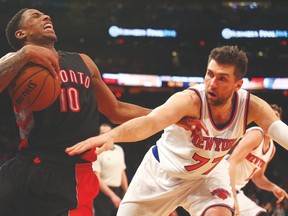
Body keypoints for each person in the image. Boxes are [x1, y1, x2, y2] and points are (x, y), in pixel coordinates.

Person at [66, 45, 288, 216]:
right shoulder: (189, 100)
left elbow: (280, 131)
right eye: (210, 74)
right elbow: (150, 123)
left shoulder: (252, 106)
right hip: (161, 174)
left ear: (237, 85)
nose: (212, 83)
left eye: (222, 79)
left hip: (206, 177)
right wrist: (112, 135)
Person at [0, 8, 151, 216]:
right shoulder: (14, 62)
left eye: (46, 15)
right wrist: (25, 54)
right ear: (21, 34)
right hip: (28, 165)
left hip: (71, 173)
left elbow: (116, 110)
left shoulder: (83, 62)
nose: (46, 17)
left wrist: (168, 113)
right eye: (35, 16)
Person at [228, 104, 288, 216]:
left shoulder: (271, 149)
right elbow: (232, 161)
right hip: (221, 183)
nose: (270, 120)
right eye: (267, 116)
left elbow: (258, 177)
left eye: (274, 116)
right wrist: (234, 199)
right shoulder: (257, 134)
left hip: (236, 189)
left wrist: (274, 188)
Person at [92, 123, 128, 216]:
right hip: (103, 194)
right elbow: (96, 178)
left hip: (118, 191)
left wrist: (127, 192)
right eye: (102, 133)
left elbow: (122, 171)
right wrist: (112, 196)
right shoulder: (97, 152)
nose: (105, 136)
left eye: (108, 133)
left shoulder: (119, 149)